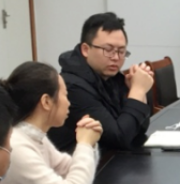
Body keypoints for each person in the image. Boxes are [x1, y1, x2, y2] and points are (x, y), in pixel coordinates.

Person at [49, 12, 154, 153]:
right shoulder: (72, 87)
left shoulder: (111, 77)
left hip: (106, 158)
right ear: (86, 50)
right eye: (108, 50)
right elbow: (119, 138)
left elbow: (138, 129)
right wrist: (137, 91)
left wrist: (135, 91)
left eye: (121, 51)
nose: (116, 57)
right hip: (75, 163)